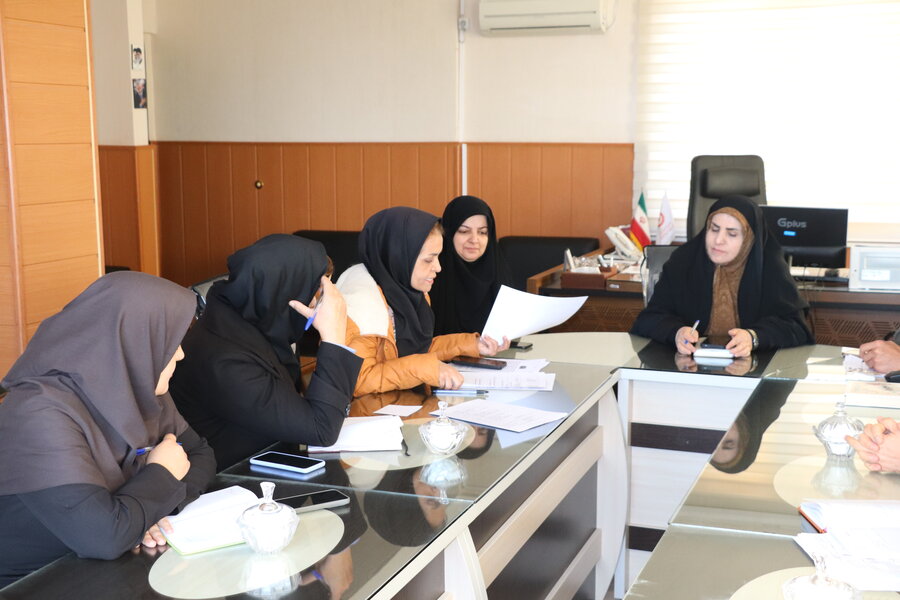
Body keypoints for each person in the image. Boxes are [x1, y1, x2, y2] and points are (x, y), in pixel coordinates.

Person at [0, 272, 216, 586]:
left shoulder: (139, 385)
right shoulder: (38, 412)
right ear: (133, 342)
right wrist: (161, 477)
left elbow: (201, 455)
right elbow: (103, 537)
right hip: (31, 582)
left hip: (107, 565)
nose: (181, 354)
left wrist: (149, 512)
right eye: (171, 343)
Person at [169, 234, 362, 468]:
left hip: (268, 462)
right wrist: (334, 337)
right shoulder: (225, 359)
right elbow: (321, 429)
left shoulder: (248, 322)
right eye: (317, 294)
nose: (317, 306)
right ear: (287, 292)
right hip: (233, 480)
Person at [335, 207, 508, 396]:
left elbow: (419, 349)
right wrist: (425, 368)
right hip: (366, 409)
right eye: (428, 260)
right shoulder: (359, 303)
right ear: (399, 257)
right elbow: (359, 380)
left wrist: (473, 344)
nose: (438, 268)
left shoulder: (409, 291)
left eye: (438, 257)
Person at [630, 195, 814, 357]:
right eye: (714, 229)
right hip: (689, 368)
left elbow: (797, 328)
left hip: (754, 370)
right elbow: (648, 319)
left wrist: (753, 337)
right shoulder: (683, 262)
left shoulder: (770, 267)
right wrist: (676, 332)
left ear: (749, 239)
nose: (718, 240)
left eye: (732, 234)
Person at [430, 195, 512, 336]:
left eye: (482, 232)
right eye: (464, 231)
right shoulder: (431, 275)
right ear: (448, 233)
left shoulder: (500, 273)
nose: (474, 240)